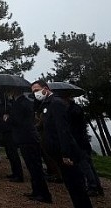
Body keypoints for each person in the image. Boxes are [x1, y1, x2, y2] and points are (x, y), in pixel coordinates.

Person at [31, 80, 92, 208]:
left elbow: (63, 130)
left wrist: (66, 153)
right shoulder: (47, 104)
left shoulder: (56, 103)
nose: (35, 94)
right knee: (71, 185)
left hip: (65, 153)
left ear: (46, 88)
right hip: (57, 151)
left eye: (37, 90)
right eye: (33, 92)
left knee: (76, 186)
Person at [4, 90, 52, 203]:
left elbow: (18, 121)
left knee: (35, 167)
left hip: (26, 137)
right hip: (29, 136)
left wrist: (7, 118)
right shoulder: (25, 102)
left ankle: (44, 194)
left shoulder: (19, 103)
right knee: (32, 167)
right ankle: (36, 191)